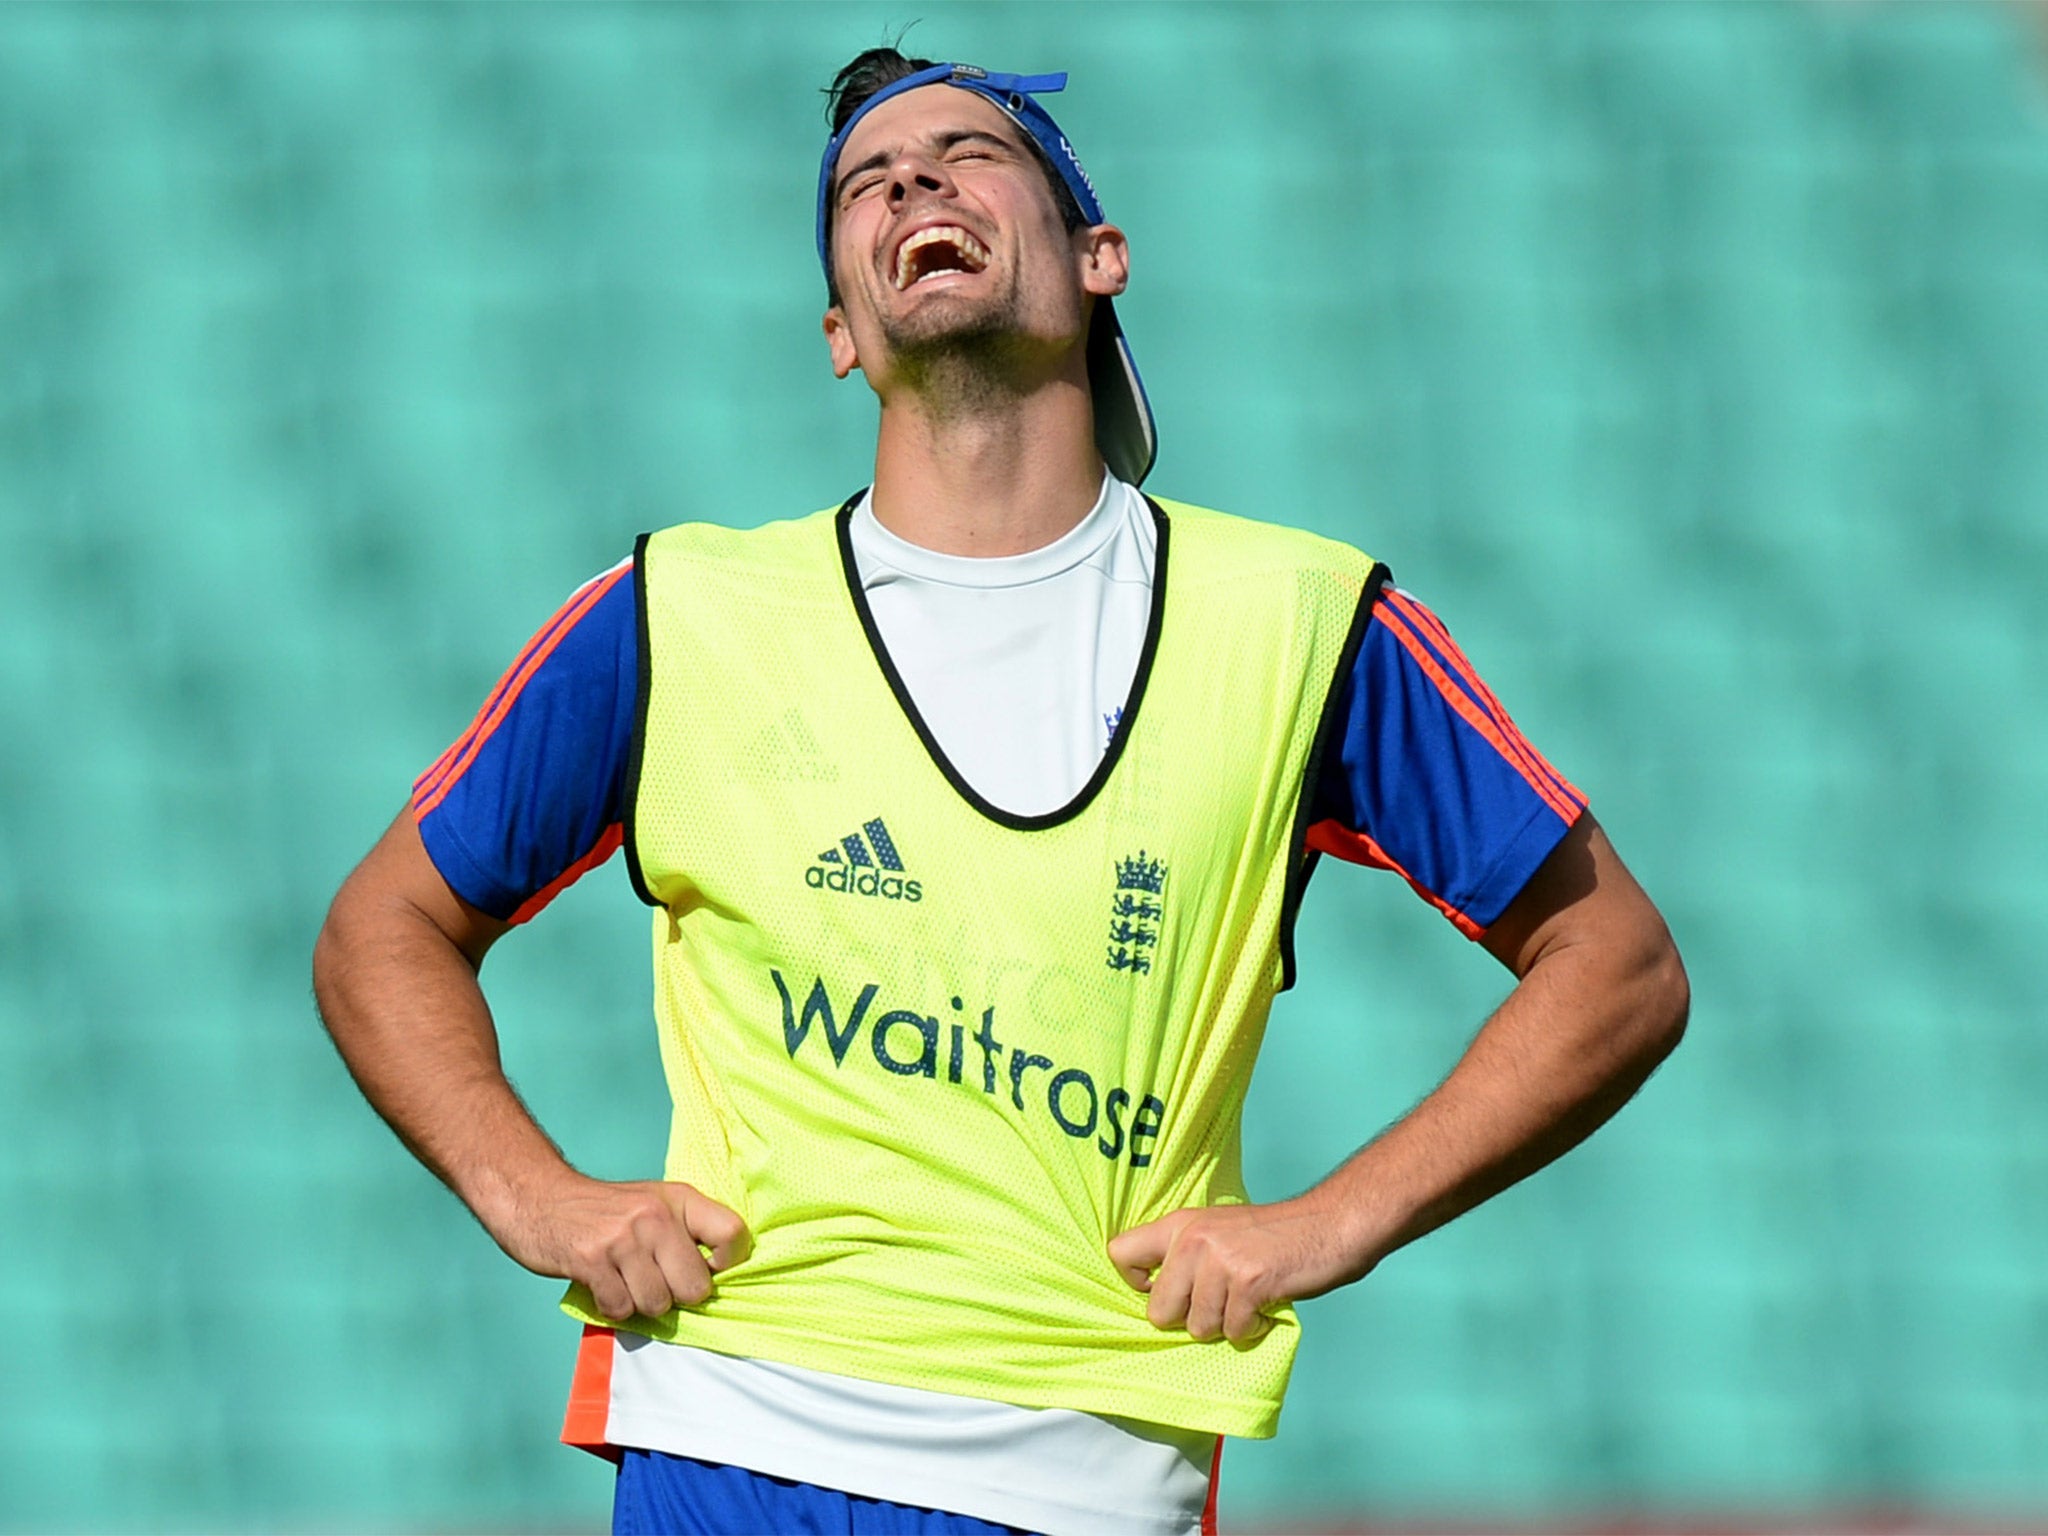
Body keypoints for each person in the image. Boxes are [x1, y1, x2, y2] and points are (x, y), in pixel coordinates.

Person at [312, 48, 1689, 1536]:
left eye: (968, 155)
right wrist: (537, 1198)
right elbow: (382, 926)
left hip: (1089, 1477)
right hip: (730, 1437)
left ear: (1101, 259)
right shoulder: (677, 612)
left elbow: (1617, 965)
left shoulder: (1301, 622)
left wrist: (1329, 1224)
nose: (909, 182)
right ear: (840, 330)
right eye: (863, 184)